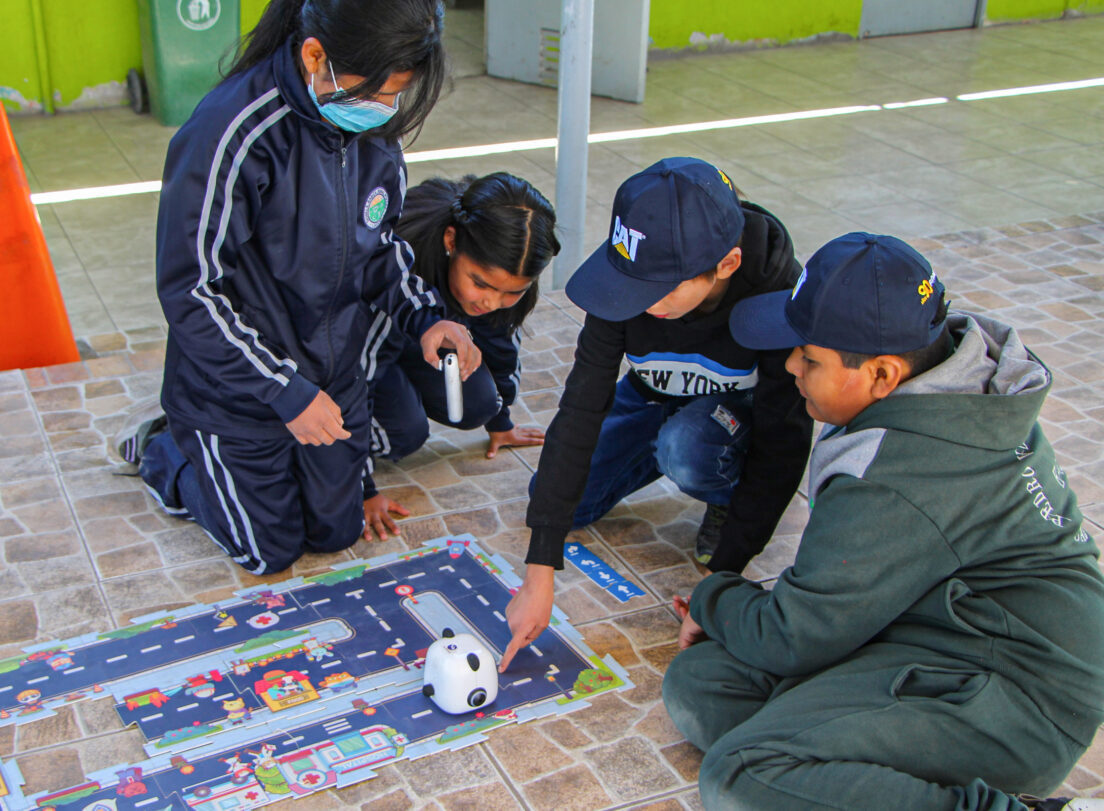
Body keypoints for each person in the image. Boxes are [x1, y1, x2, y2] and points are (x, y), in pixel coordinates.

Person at [663, 232, 1104, 811]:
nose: (791, 365)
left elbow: (795, 634)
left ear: (882, 375)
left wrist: (713, 597)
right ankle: (845, 756)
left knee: (741, 774)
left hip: (1017, 698)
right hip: (931, 624)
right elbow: (813, 613)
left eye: (810, 358)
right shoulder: (957, 378)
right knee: (703, 685)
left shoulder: (902, 473)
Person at [118, 0, 480, 575]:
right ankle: (168, 448)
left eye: (396, 95)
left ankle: (264, 458)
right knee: (269, 552)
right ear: (316, 56)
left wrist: (427, 317)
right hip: (237, 394)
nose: (385, 110)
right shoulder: (231, 132)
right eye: (377, 93)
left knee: (335, 535)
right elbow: (192, 288)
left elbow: (381, 244)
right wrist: (284, 391)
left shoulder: (374, 133)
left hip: (330, 382)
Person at [501, 157, 814, 670]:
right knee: (558, 504)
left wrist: (724, 576)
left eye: (663, 291)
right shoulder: (627, 281)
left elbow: (786, 438)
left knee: (687, 447)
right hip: (654, 396)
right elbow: (581, 406)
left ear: (727, 265)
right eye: (632, 287)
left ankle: (723, 497)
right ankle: (663, 441)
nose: (642, 304)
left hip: (734, 415)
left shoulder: (775, 293)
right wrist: (540, 568)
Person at [360, 172, 561, 541]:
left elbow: (500, 348)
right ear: (451, 241)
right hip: (366, 344)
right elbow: (349, 371)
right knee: (404, 433)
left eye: (511, 292)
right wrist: (360, 489)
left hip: (421, 338)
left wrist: (501, 421)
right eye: (480, 283)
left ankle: (408, 384)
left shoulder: (504, 283)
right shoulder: (395, 259)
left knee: (480, 403)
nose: (491, 302)